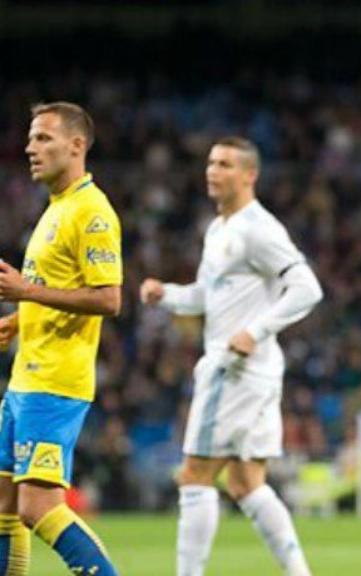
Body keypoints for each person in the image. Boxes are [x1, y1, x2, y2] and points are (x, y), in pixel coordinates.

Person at [140, 137, 323, 576]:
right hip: (256, 370)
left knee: (194, 476)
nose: (212, 171)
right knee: (246, 483)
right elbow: (207, 296)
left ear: (249, 175)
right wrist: (167, 295)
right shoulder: (219, 229)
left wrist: (255, 330)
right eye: (210, 163)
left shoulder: (257, 228)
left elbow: (308, 288)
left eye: (224, 164)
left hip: (235, 368)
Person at [0, 102, 121, 575]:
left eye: (43, 138)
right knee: (5, 505)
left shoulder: (91, 212)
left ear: (76, 146)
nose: (30, 148)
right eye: (30, 139)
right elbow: (59, 292)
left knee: (38, 508)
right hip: (25, 378)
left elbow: (109, 298)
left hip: (55, 383)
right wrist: (19, 320)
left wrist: (26, 291)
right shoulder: (56, 208)